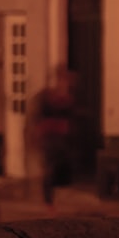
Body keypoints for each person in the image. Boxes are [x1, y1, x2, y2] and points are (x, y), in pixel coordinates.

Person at [36, 64, 76, 214]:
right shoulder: (47, 96)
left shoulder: (67, 95)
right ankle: (49, 201)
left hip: (62, 136)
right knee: (50, 168)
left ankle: (53, 199)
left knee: (60, 166)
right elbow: (41, 114)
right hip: (50, 136)